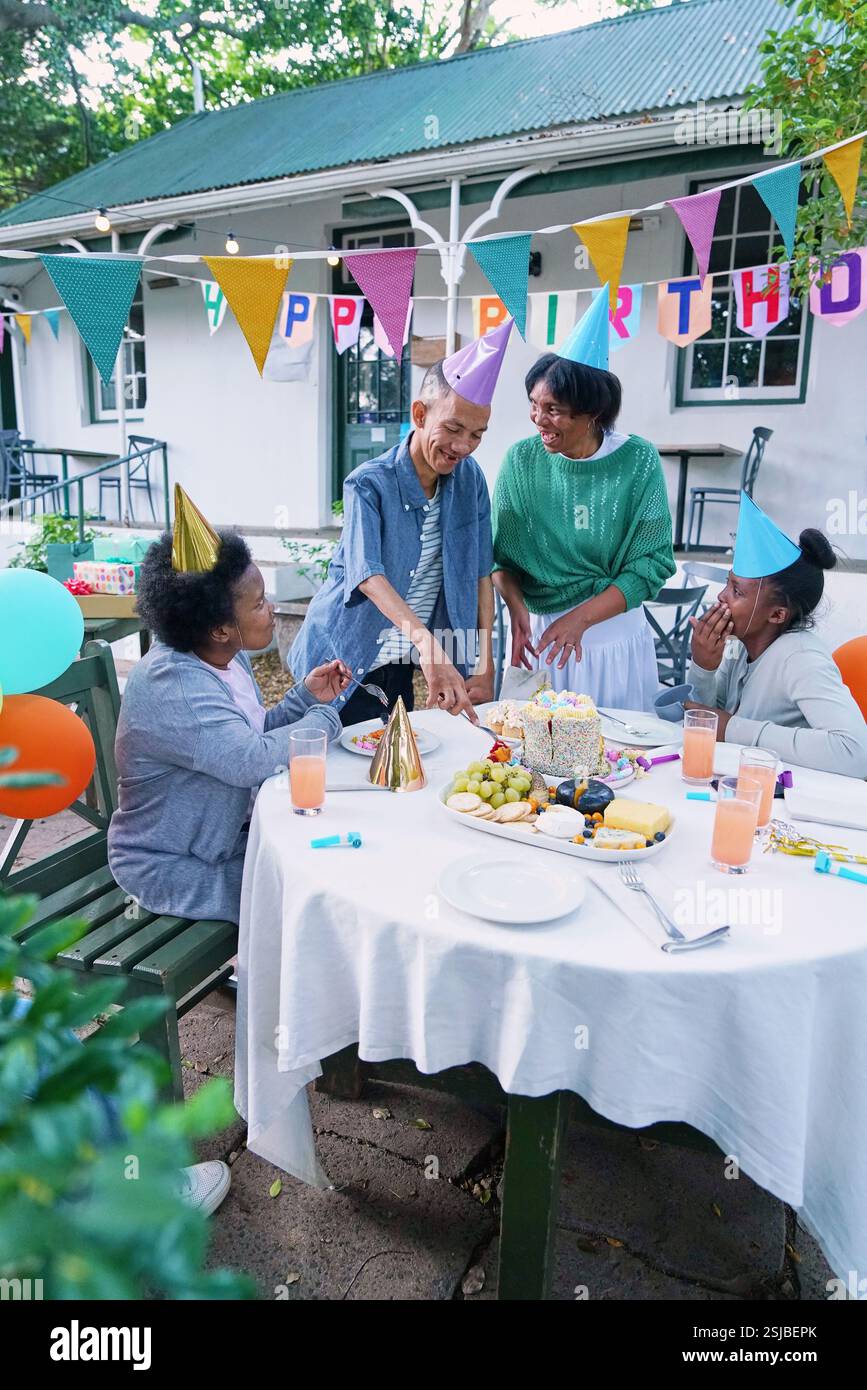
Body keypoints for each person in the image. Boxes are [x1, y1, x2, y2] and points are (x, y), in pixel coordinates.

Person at [108, 486, 350, 925]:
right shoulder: (175, 683)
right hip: (170, 864)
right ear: (221, 628)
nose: (271, 608)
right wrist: (323, 721)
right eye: (258, 604)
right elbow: (247, 760)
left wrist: (305, 699)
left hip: (220, 841)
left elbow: (247, 737)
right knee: (314, 900)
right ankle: (275, 992)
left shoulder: (224, 655)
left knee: (328, 867)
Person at [290, 319, 516, 725]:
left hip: (404, 659)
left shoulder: (472, 480)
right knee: (341, 767)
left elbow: (482, 574)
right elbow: (367, 576)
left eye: (477, 435)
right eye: (453, 429)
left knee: (400, 766)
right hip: (345, 658)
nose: (463, 447)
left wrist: (484, 664)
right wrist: (430, 649)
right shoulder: (369, 484)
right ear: (419, 414)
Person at [492, 286, 675, 710]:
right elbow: (501, 558)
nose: (539, 419)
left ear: (592, 412)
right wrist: (517, 609)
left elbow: (651, 565)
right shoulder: (521, 462)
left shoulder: (637, 460)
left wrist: (582, 618)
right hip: (543, 643)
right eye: (534, 405)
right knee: (534, 757)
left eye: (553, 409)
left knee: (619, 758)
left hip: (613, 641)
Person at [685, 493, 867, 777]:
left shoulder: (800, 657)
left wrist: (735, 729)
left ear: (777, 615)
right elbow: (708, 725)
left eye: (737, 591)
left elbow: (855, 752)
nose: (721, 597)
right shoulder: (743, 647)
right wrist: (703, 667)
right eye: (727, 584)